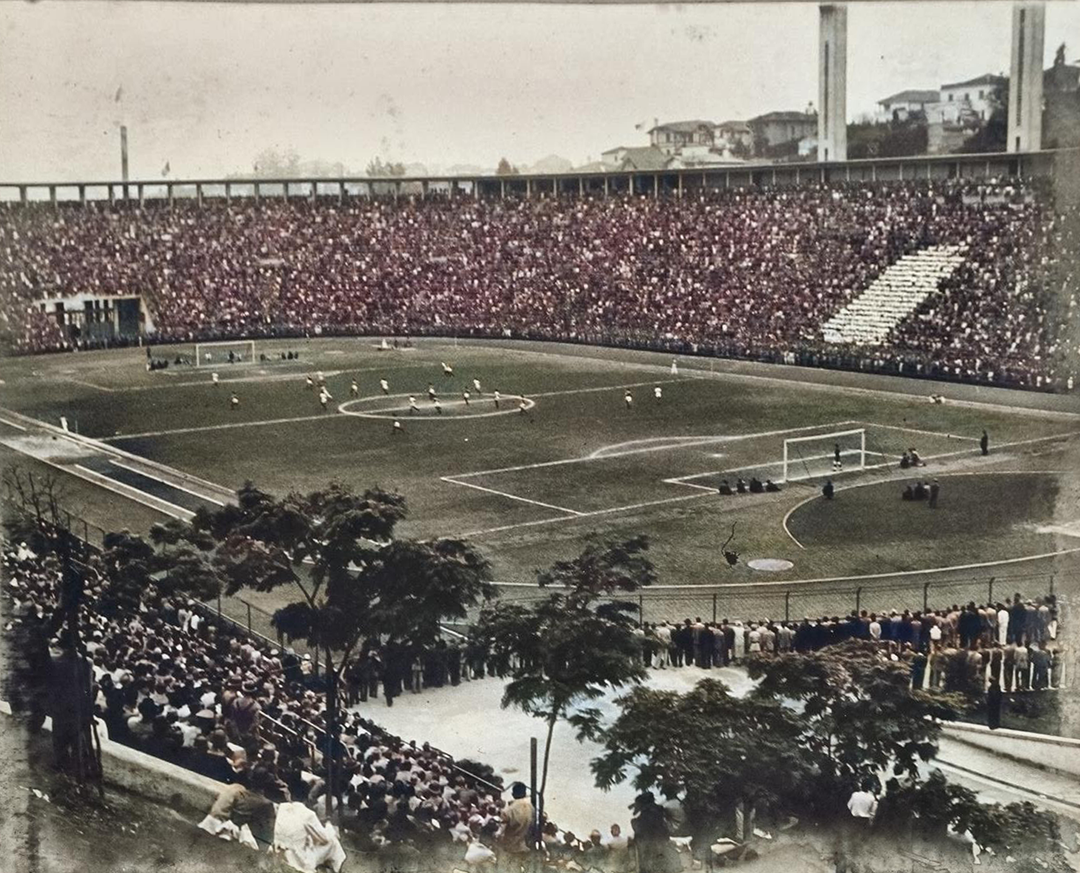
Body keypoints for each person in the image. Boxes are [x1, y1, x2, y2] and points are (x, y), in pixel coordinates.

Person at [500, 782, 534, 861]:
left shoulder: (508, 810)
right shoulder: (531, 808)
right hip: (524, 846)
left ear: (513, 794)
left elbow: (501, 832)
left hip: (510, 848)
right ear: (525, 793)